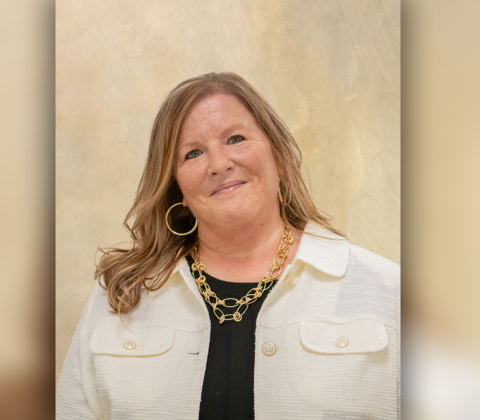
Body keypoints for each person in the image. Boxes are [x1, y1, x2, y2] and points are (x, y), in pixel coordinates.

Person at [56, 72, 400, 420]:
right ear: (177, 188)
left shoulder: (388, 291)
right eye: (192, 153)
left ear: (278, 157)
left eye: (235, 138)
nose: (219, 164)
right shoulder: (120, 297)